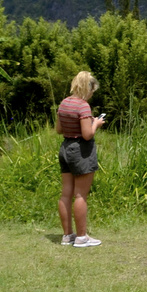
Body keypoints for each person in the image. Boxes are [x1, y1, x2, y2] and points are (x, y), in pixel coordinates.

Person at [57, 71, 106, 248]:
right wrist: (96, 123)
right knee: (80, 195)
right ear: (88, 87)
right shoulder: (83, 106)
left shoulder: (64, 103)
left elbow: (59, 129)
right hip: (81, 151)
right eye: (92, 90)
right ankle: (82, 237)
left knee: (66, 194)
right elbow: (87, 135)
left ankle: (67, 235)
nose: (92, 94)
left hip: (65, 149)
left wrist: (84, 122)